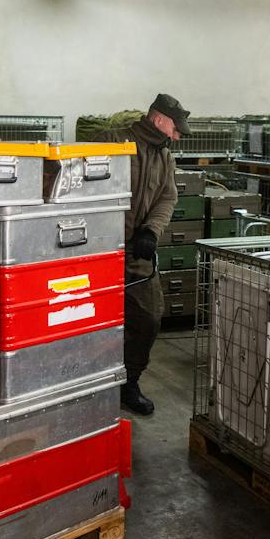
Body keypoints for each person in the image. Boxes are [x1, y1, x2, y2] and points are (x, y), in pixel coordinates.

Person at [97, 94, 190, 415]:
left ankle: (129, 382)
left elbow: (167, 198)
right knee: (92, 320)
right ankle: (89, 383)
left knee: (148, 317)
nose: (177, 136)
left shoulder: (165, 158)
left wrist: (151, 231)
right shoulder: (113, 141)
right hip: (99, 251)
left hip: (137, 252)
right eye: (176, 129)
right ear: (160, 119)